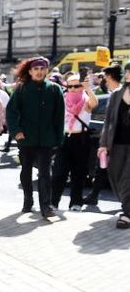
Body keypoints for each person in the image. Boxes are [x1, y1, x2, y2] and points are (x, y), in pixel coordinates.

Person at [6, 56, 66, 218]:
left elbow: (60, 116)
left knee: (45, 173)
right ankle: (28, 201)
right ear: (30, 71)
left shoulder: (55, 89)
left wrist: (58, 139)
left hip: (47, 140)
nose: (39, 72)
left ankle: (46, 206)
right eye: (36, 69)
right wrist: (16, 131)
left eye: (42, 69)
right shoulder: (21, 89)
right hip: (26, 139)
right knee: (26, 171)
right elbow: (11, 111)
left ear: (46, 70)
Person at [51, 73, 97, 211]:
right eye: (69, 86)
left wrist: (88, 88)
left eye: (76, 86)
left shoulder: (86, 99)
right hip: (65, 138)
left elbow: (94, 103)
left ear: (82, 86)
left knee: (79, 173)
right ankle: (53, 203)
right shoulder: (63, 99)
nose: (72, 88)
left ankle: (76, 203)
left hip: (81, 139)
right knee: (59, 172)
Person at [87, 64, 125, 207]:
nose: (104, 80)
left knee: (116, 172)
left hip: (119, 142)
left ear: (109, 77)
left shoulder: (120, 94)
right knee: (102, 169)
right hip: (110, 141)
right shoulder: (114, 94)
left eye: (105, 77)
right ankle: (94, 196)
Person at [97, 64, 130, 229]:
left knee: (127, 177)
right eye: (128, 71)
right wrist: (103, 144)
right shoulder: (117, 94)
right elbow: (108, 121)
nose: (129, 74)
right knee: (116, 175)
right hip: (116, 143)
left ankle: (127, 213)